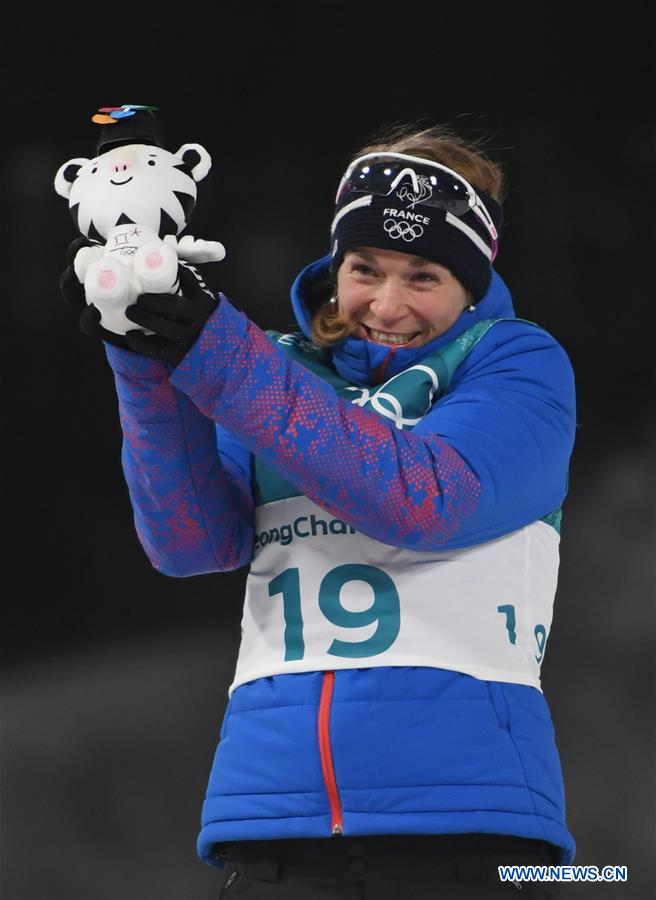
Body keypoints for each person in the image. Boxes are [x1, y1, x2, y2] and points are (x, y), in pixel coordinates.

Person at [63, 121, 576, 898]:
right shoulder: (274, 367)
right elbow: (191, 542)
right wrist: (144, 354)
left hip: (471, 832)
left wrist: (217, 350)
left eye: (425, 276)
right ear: (336, 267)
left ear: (472, 284)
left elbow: (419, 499)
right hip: (275, 824)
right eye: (364, 268)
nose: (387, 304)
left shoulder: (516, 363)